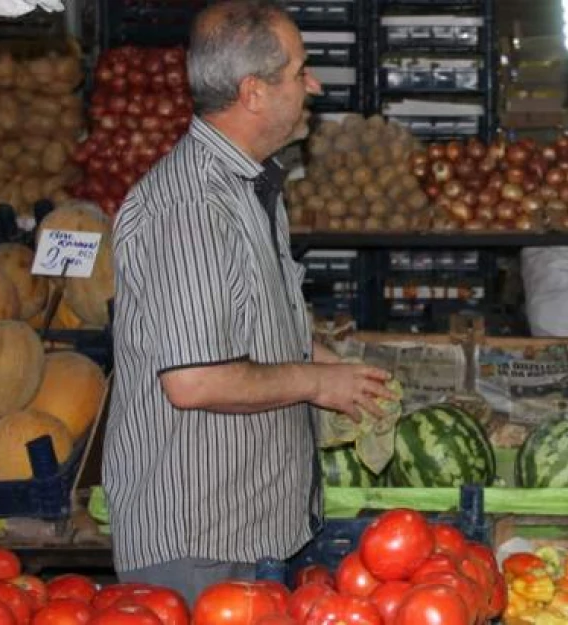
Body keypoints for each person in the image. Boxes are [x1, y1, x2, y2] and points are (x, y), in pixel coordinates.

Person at [103, 0, 394, 603]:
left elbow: (245, 320)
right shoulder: (188, 209)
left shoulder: (250, 182)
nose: (312, 84)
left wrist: (329, 364)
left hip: (253, 525)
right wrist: (316, 382)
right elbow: (197, 381)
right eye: (299, 70)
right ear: (254, 92)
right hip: (200, 541)